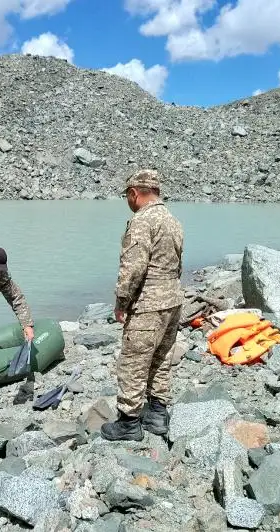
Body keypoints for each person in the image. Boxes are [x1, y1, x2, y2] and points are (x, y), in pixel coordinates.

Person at [101, 169, 184, 441]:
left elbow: (133, 268)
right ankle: (157, 414)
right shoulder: (173, 220)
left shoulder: (141, 221)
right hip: (172, 301)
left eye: (128, 196)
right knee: (161, 359)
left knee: (134, 362)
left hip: (148, 304)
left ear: (134, 193)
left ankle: (128, 422)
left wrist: (121, 302)